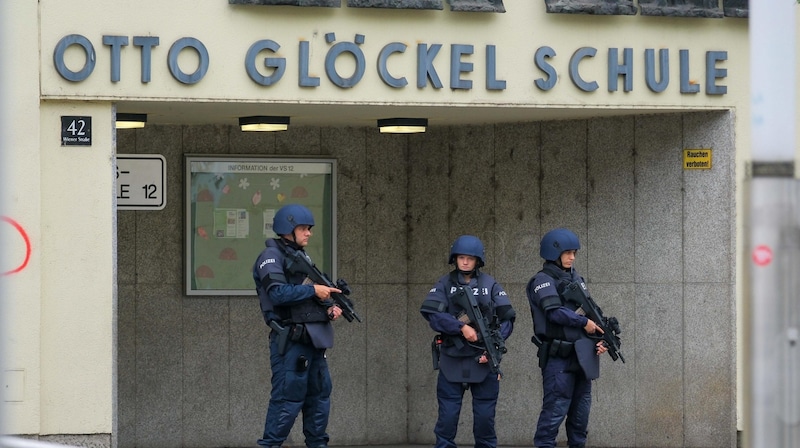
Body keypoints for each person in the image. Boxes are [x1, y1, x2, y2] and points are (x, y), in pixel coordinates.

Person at [253, 203, 343, 448]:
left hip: (314, 341)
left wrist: (329, 308)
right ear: (288, 229)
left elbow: (308, 297)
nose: (309, 233)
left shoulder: (301, 257)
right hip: (291, 342)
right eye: (304, 228)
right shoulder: (270, 257)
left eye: (309, 229)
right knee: (287, 400)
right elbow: (278, 294)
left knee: (319, 398)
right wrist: (314, 289)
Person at [420, 235, 516, 448]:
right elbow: (433, 315)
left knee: (484, 419)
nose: (465, 262)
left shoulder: (490, 284)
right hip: (452, 359)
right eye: (461, 257)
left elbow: (508, 317)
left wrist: (495, 343)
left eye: (470, 258)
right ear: (454, 259)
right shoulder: (445, 283)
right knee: (447, 418)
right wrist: (461, 328)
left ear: (477, 261)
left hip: (483, 359)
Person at [526, 228, 608, 448]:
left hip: (583, 357)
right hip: (558, 358)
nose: (572, 257)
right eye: (567, 252)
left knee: (580, 419)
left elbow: (592, 313)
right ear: (553, 254)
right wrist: (584, 323)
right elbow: (554, 312)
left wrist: (600, 339)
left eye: (574, 252)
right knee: (553, 416)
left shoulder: (577, 279)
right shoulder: (542, 280)